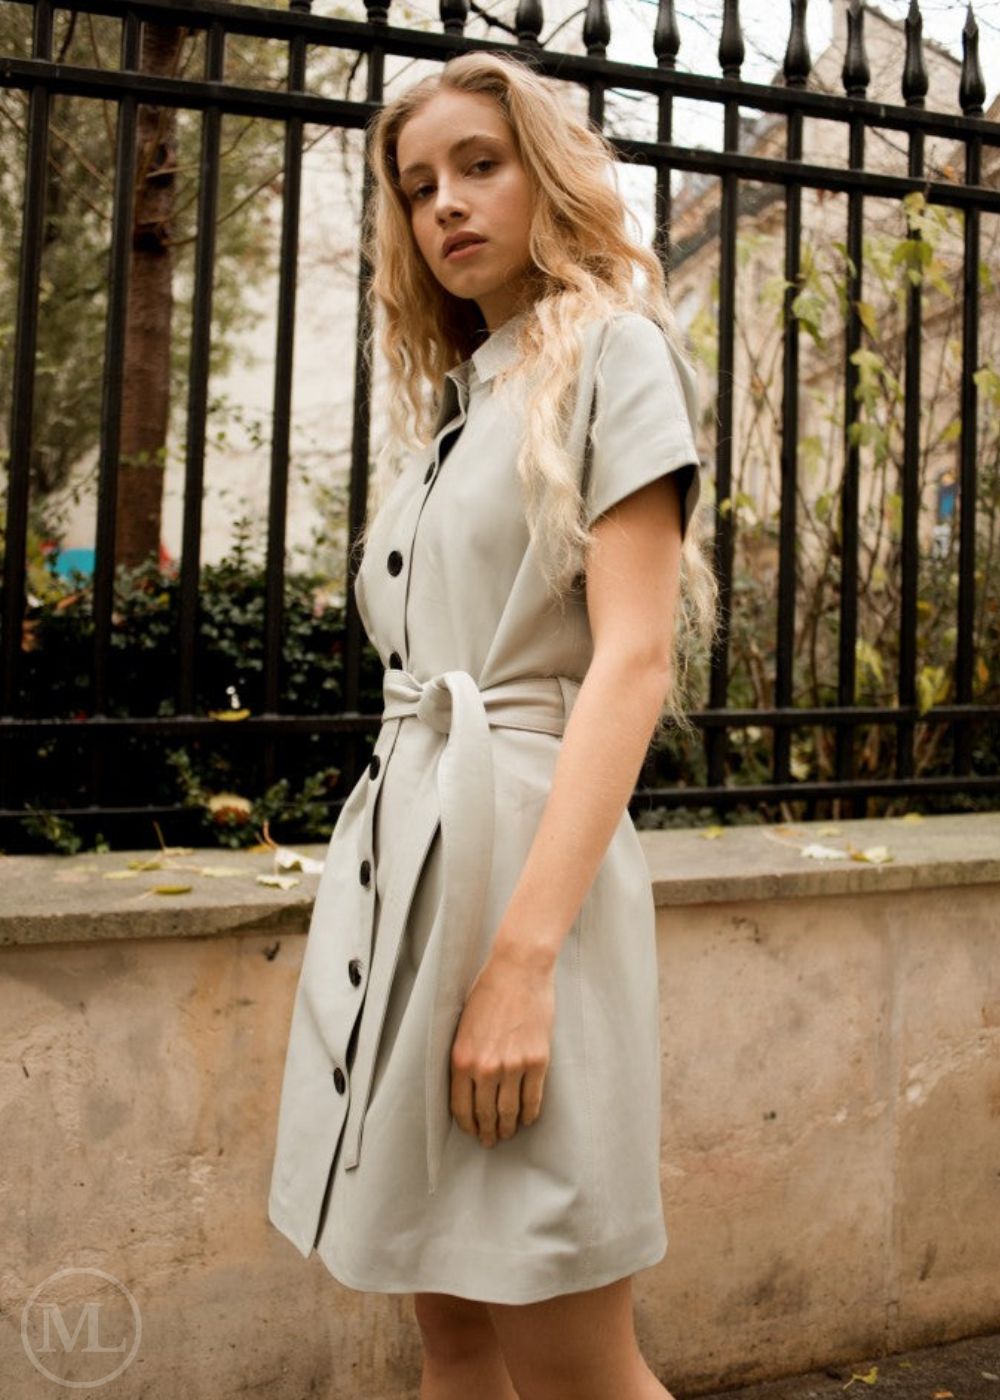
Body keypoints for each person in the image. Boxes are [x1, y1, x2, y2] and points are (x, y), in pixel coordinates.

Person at [267, 48, 720, 1400]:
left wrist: (522, 964)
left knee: (570, 1352)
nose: (448, 205)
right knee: (449, 1329)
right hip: (404, 868)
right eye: (418, 186)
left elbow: (633, 661)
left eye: (481, 165)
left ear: (548, 174)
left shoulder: (613, 355)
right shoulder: (463, 407)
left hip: (525, 876)